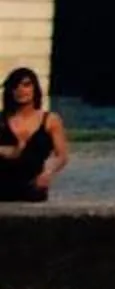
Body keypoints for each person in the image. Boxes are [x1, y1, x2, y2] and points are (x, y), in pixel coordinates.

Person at [1, 67, 71, 203]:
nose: (21, 90)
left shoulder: (50, 120)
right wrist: (4, 151)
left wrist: (48, 172)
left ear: (35, 88)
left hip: (33, 185)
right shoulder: (2, 120)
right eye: (15, 86)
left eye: (26, 85)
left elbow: (61, 156)